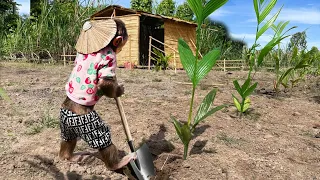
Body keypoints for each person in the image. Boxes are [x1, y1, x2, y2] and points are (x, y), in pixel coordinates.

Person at [59, 18, 137, 173]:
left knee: (68, 135)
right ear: (118, 41)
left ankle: (65, 154)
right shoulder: (108, 55)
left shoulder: (85, 51)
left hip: (65, 108)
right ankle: (113, 163)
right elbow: (105, 85)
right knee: (102, 136)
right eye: (121, 46)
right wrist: (116, 90)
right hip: (83, 113)